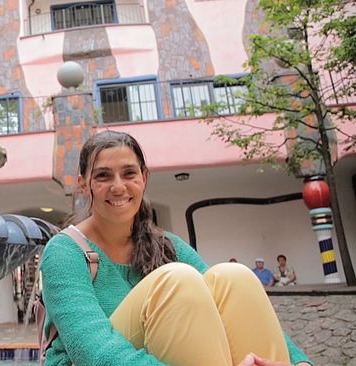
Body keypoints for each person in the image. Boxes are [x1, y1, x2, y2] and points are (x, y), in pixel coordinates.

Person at [40, 131, 312, 366]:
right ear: (83, 185)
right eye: (103, 176)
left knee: (234, 277)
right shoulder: (65, 251)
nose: (118, 186)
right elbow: (93, 350)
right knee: (176, 280)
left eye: (129, 173)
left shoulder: (167, 245)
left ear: (144, 178)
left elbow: (234, 305)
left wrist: (299, 361)